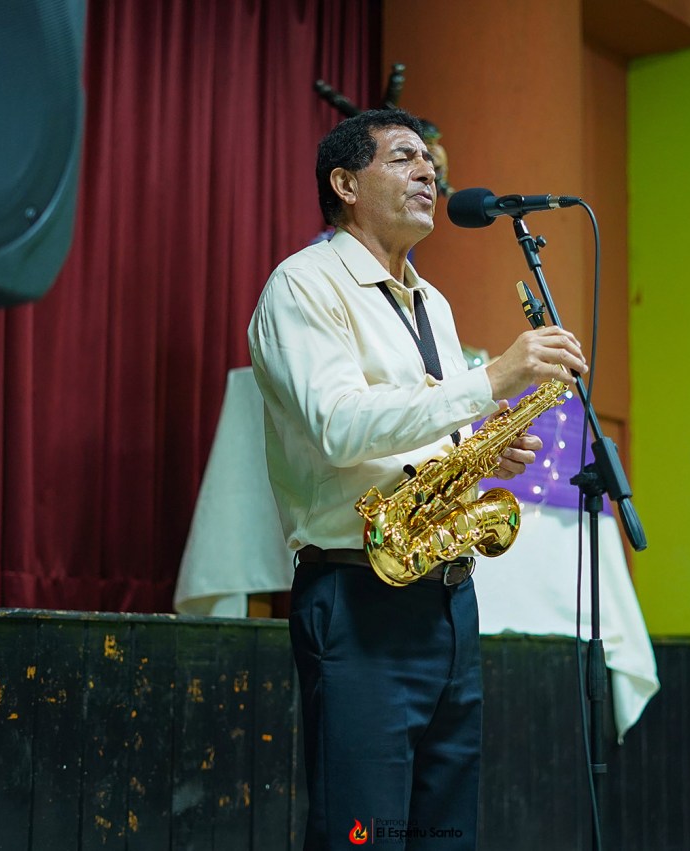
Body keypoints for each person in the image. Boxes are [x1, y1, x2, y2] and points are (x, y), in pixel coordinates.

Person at [248, 109, 588, 850]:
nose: (427, 172)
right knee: (362, 832)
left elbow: (418, 421)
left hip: (449, 598)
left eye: (429, 162)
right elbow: (340, 427)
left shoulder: (430, 300)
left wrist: (475, 450)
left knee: (446, 832)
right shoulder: (303, 285)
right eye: (403, 158)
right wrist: (491, 379)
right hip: (358, 593)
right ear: (345, 184)